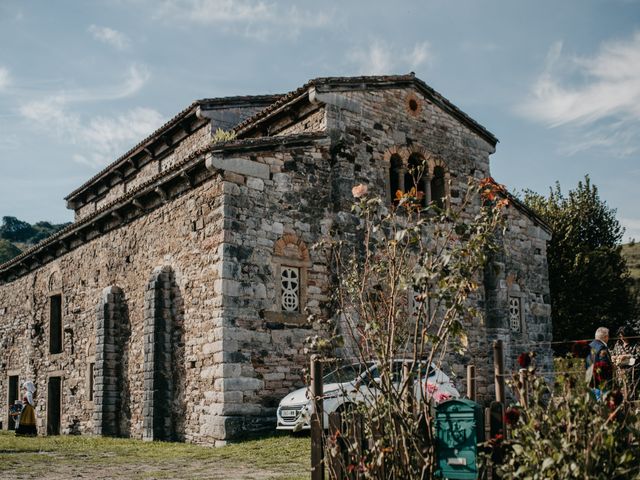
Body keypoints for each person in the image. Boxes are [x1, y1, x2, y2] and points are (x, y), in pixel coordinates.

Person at [585, 327, 613, 400]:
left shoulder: (589, 346)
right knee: (603, 404)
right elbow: (604, 365)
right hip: (601, 383)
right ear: (605, 337)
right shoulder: (602, 347)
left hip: (591, 380)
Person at [612, 325, 640, 399]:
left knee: (632, 395)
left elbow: (638, 356)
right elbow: (613, 354)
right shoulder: (618, 343)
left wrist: (628, 356)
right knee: (621, 394)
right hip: (620, 374)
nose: (622, 338)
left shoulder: (636, 344)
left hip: (632, 374)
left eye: (624, 336)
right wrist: (613, 357)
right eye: (620, 336)